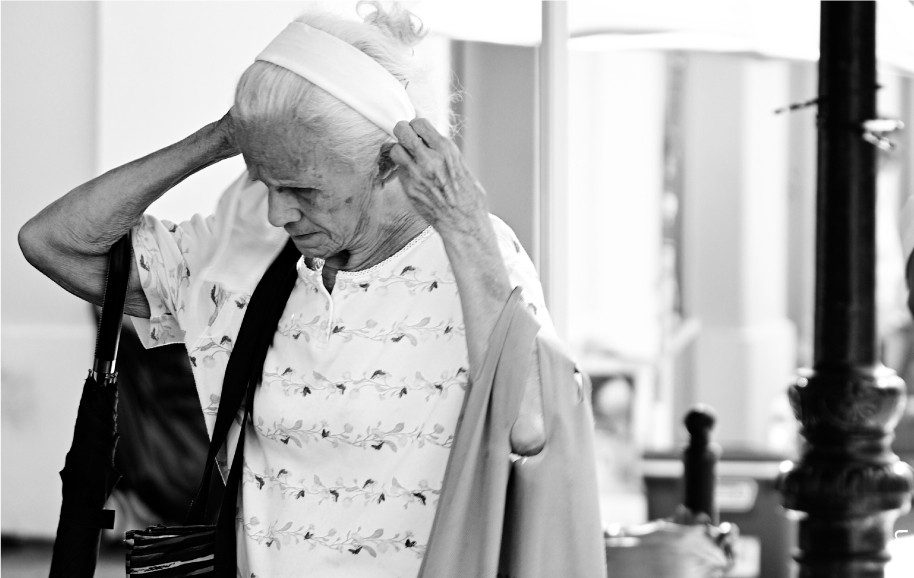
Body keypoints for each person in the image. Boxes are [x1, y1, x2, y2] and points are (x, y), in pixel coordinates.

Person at [19, 4, 600, 576]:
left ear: (388, 163)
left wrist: (467, 224)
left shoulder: (473, 253)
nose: (278, 211)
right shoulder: (243, 252)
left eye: (302, 188)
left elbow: (531, 431)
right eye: (263, 180)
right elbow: (52, 242)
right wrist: (221, 138)